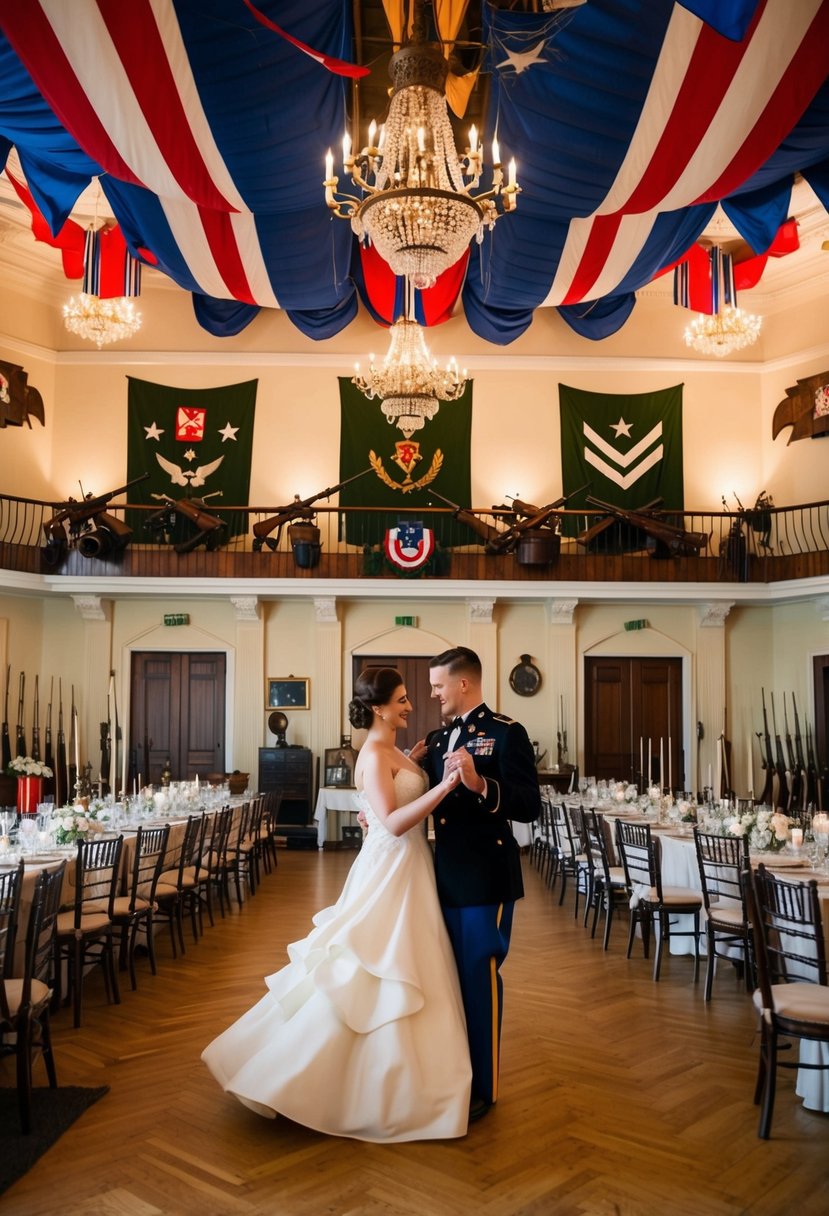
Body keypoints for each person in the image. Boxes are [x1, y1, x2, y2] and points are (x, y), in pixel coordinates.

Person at [201, 667, 471, 1142]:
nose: (410, 705)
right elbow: (390, 822)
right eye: (403, 699)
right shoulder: (370, 754)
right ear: (378, 708)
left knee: (401, 966)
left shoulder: (389, 751)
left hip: (411, 868)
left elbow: (386, 794)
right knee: (369, 969)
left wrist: (411, 762)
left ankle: (406, 1079)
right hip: (392, 868)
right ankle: (309, 1077)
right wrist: (444, 786)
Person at [419, 646, 541, 1122]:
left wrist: (481, 785)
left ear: (463, 684)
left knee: (478, 976)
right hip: (442, 874)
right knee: (448, 981)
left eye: (438, 685)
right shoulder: (437, 736)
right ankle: (452, 1075)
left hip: (484, 877)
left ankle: (483, 1088)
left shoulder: (506, 733)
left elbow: (529, 805)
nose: (434, 694)